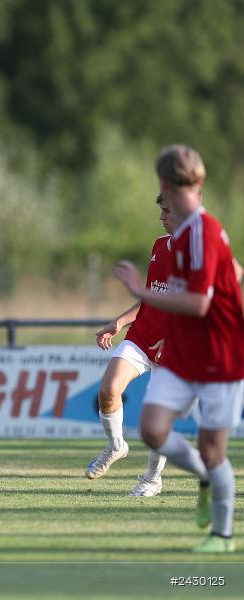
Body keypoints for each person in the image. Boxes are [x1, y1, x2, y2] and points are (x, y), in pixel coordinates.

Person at [114, 144, 244, 553]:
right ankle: (205, 475)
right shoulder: (184, 235)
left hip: (221, 357)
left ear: (163, 185)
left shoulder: (202, 232)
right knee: (153, 429)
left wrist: (140, 292)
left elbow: (199, 303)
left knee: (212, 450)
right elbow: (233, 272)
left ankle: (221, 537)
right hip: (185, 352)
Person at [89, 194, 174, 496]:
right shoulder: (159, 246)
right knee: (108, 391)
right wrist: (121, 321)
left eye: (167, 211)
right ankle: (116, 446)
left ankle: (152, 480)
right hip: (142, 336)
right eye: (162, 210)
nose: (162, 216)